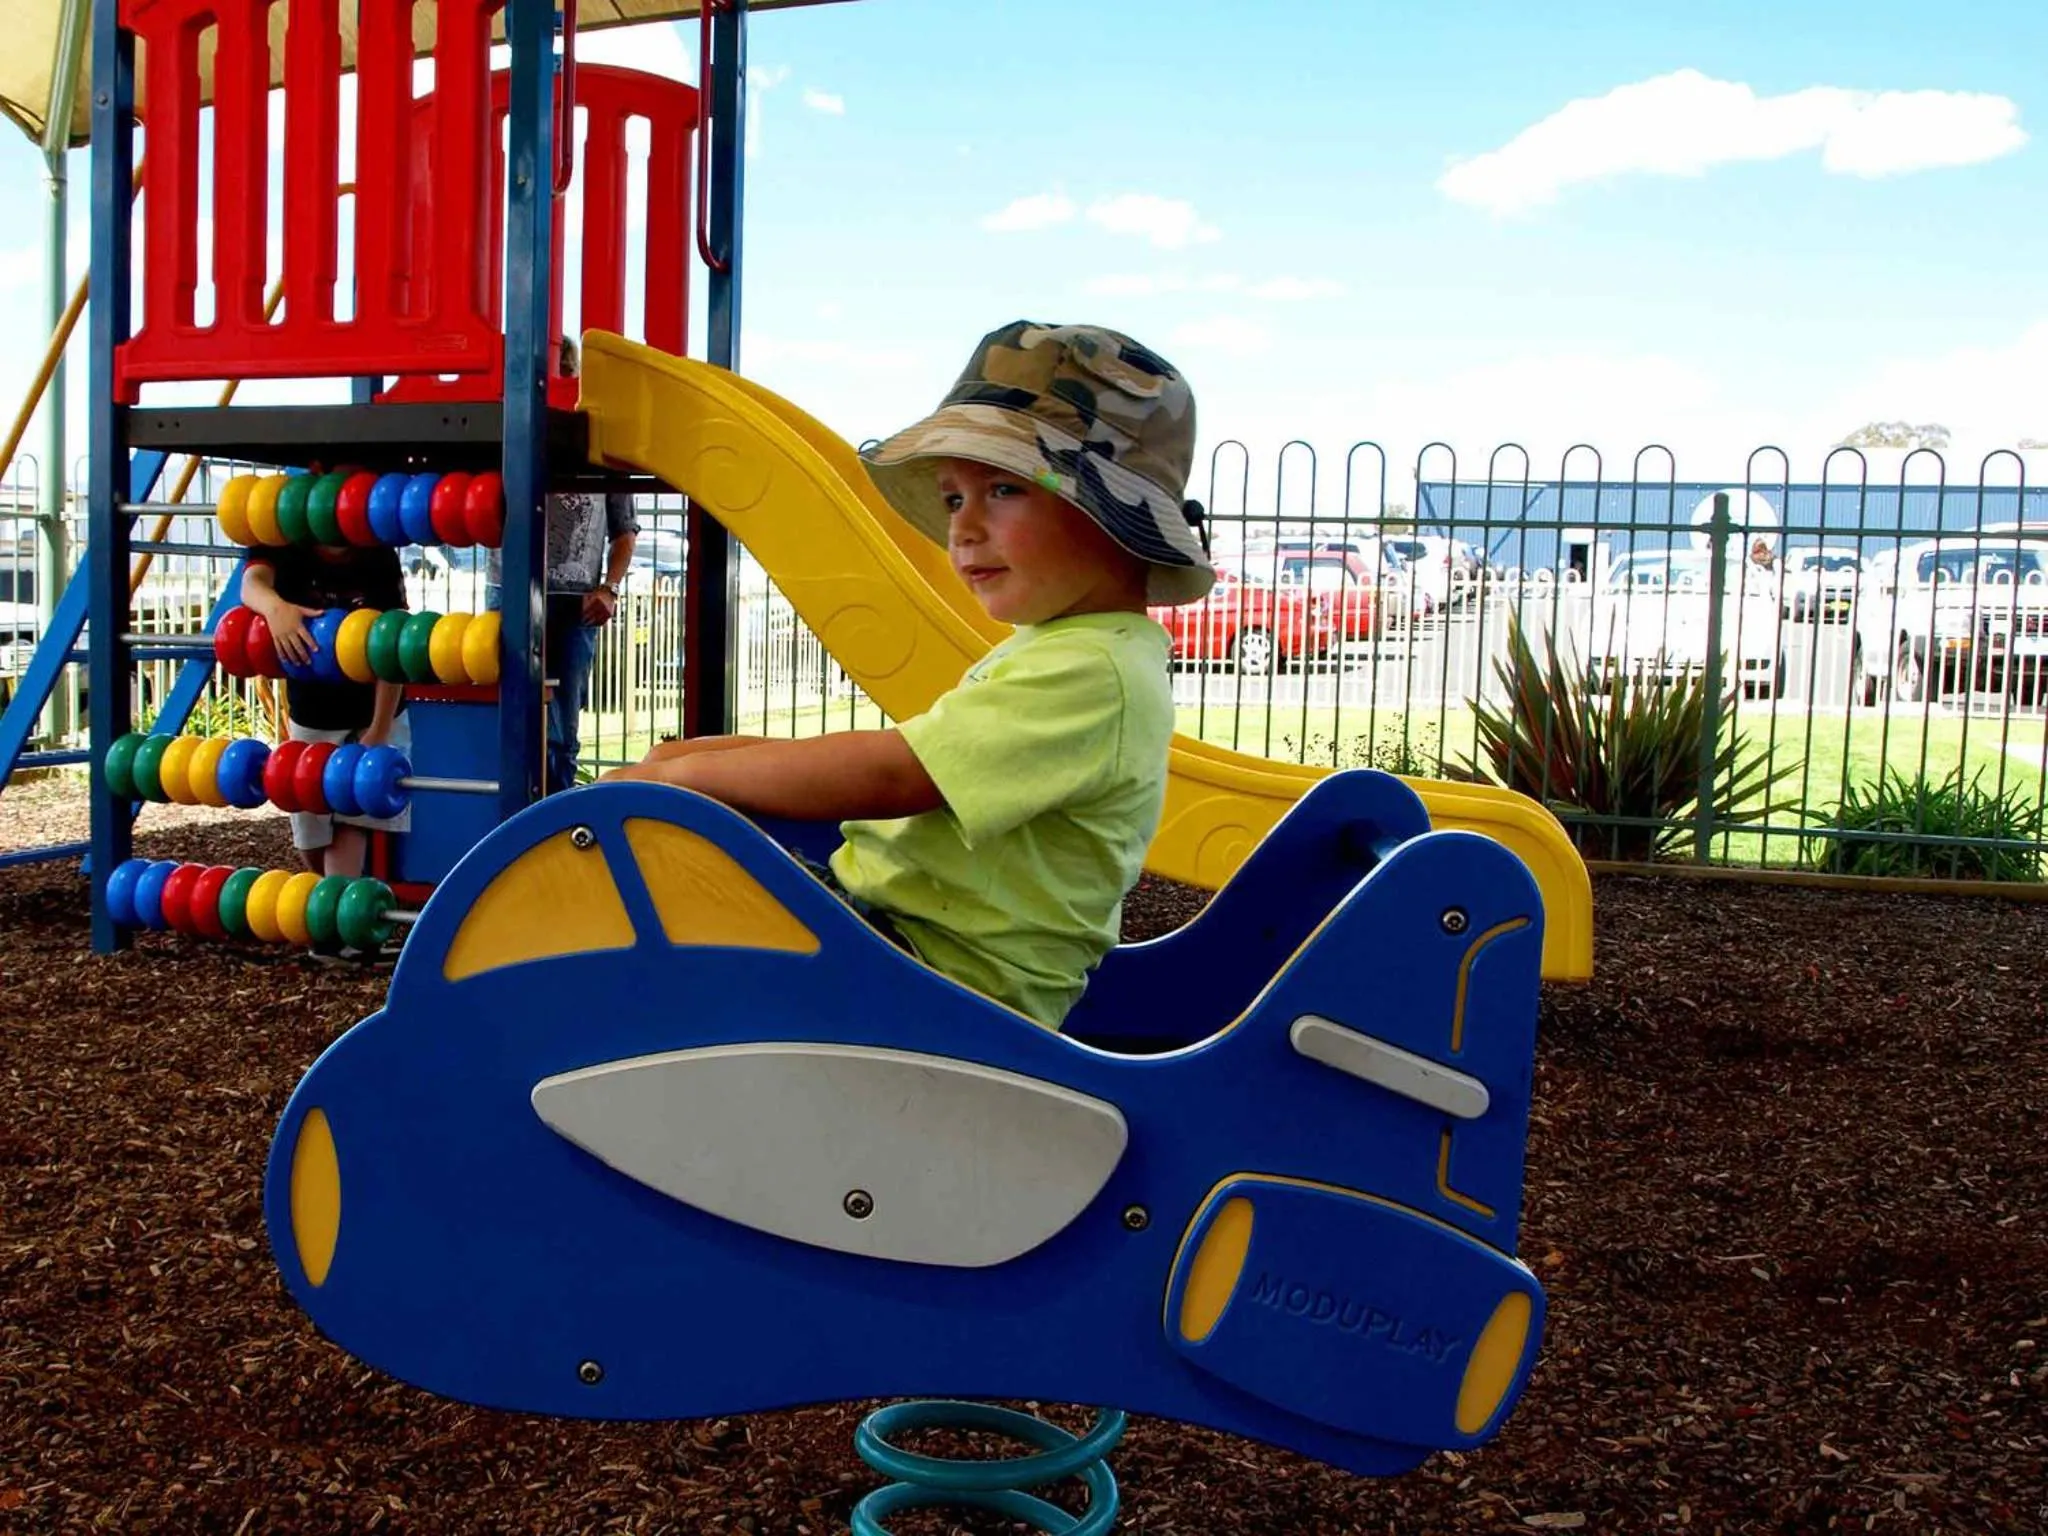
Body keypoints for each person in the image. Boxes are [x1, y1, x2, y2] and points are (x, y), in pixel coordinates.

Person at [604, 320, 1214, 1029]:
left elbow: (898, 774)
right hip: (908, 951)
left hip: (938, 982)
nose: (964, 527)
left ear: (1114, 519)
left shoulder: (1093, 670)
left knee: (658, 915)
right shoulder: (1071, 647)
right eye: (955, 498)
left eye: (1005, 490)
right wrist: (687, 757)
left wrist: (681, 780)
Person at [488, 335, 641, 793]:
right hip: (510, 590)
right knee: (505, 715)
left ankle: (553, 817)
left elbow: (625, 531)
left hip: (576, 602)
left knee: (561, 729)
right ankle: (508, 815)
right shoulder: (507, 434)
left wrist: (609, 588)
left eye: (558, 374)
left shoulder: (599, 441)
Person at [240, 538, 409, 882]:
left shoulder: (376, 554)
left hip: (372, 713)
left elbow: (392, 648)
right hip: (312, 714)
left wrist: (378, 729)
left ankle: (336, 917)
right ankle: (331, 905)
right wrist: (275, 608)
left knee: (352, 819)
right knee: (310, 833)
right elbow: (251, 582)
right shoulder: (286, 543)